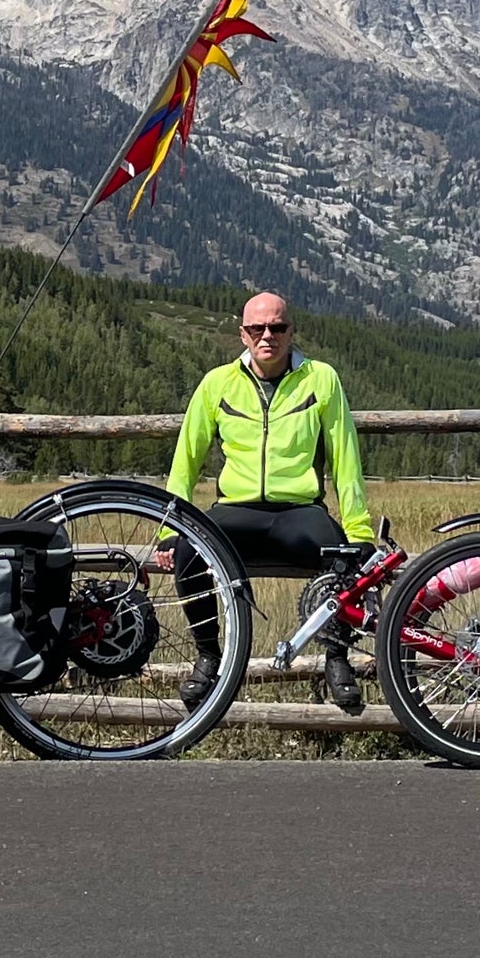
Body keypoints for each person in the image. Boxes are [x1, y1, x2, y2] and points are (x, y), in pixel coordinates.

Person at [165, 291, 373, 712]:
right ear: (242, 334)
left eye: (277, 327)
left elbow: (345, 458)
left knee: (344, 560)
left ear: (291, 332)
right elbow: (185, 460)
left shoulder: (321, 379)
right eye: (257, 328)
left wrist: (360, 531)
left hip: (299, 512)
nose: (267, 336)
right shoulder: (217, 383)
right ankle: (209, 656)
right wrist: (170, 529)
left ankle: (337, 659)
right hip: (234, 510)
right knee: (188, 553)